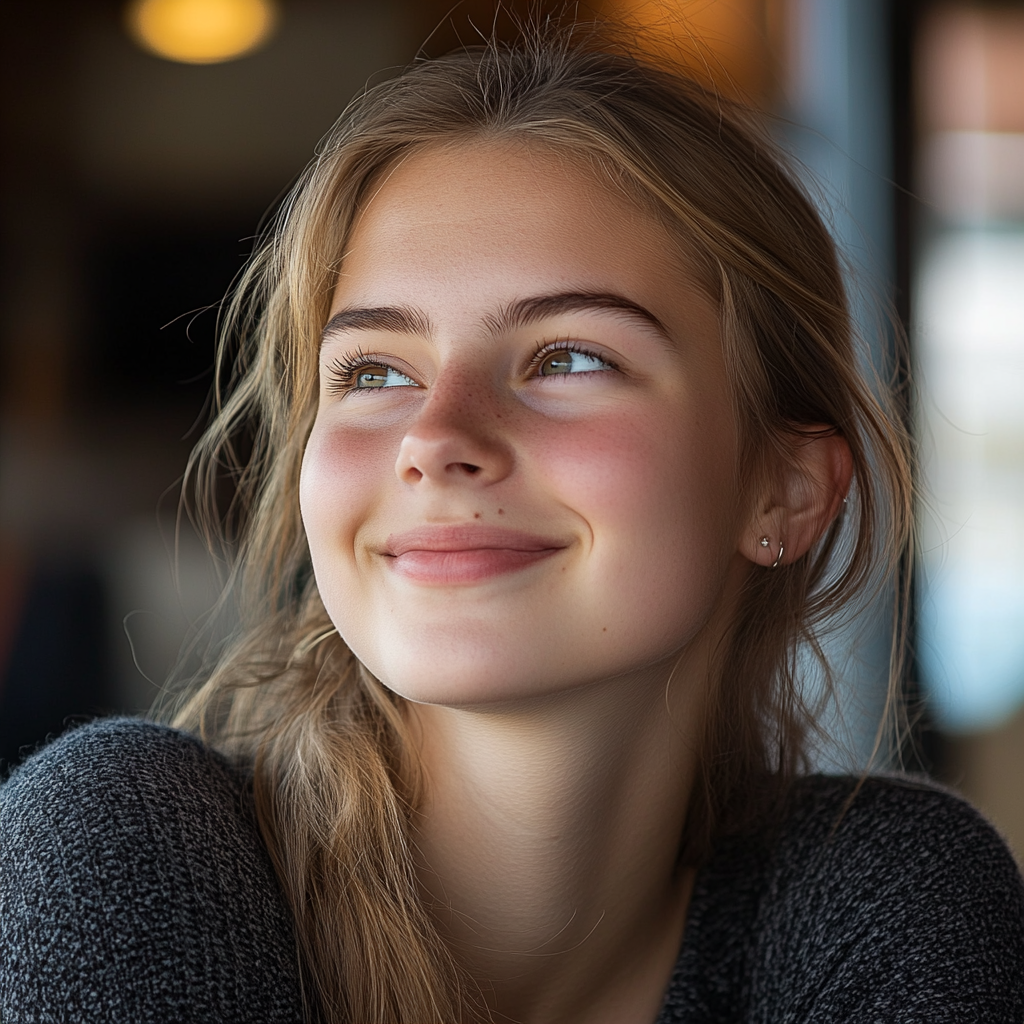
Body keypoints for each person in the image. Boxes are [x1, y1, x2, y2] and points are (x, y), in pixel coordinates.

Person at [2, 24, 1023, 1024]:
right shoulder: (116, 846)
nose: (435, 437)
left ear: (784, 490)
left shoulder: (881, 897)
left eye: (568, 358)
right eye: (373, 372)